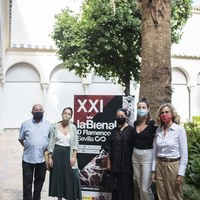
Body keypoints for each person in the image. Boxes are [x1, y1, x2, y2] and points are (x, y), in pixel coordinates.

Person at [152, 103, 188, 200]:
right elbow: (155, 152)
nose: (164, 114)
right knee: (161, 195)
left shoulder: (179, 130)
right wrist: (153, 170)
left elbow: (184, 154)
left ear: (172, 114)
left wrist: (181, 173)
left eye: (167, 112)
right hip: (159, 165)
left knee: (175, 196)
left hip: (173, 165)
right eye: (162, 113)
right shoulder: (158, 131)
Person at [18, 104, 51, 200]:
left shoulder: (48, 125)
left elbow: (50, 140)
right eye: (36, 110)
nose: (38, 112)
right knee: (27, 183)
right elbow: (20, 138)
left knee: (39, 182)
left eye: (40, 110)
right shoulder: (25, 124)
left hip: (42, 159)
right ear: (32, 112)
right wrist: (29, 146)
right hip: (28, 158)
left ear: (43, 112)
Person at [48, 107, 82, 200]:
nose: (66, 115)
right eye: (65, 113)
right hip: (57, 154)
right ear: (62, 114)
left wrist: (74, 157)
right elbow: (51, 142)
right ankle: (59, 198)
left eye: (69, 114)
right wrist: (50, 157)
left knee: (73, 177)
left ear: (71, 116)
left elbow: (75, 143)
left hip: (69, 153)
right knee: (59, 178)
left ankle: (70, 197)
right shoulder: (54, 126)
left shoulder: (73, 127)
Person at [107, 108, 135, 200]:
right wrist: (108, 162)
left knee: (126, 190)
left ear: (126, 117)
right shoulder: (114, 131)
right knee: (115, 190)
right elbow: (109, 148)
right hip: (115, 166)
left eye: (122, 116)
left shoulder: (131, 130)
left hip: (127, 166)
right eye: (118, 117)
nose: (120, 118)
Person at [132, 98, 157, 200]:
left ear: (148, 109)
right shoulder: (135, 123)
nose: (141, 109)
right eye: (139, 108)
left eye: (143, 107)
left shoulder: (152, 124)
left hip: (147, 156)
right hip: (135, 156)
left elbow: (158, 142)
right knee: (140, 185)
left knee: (145, 188)